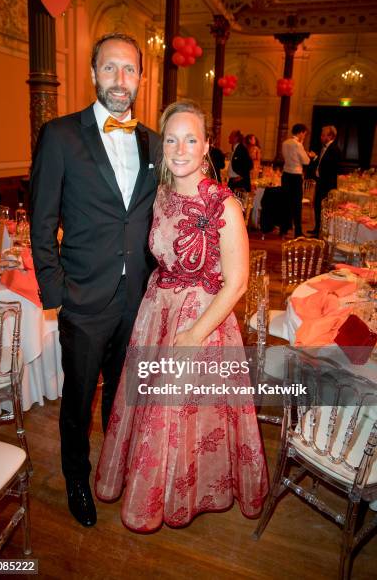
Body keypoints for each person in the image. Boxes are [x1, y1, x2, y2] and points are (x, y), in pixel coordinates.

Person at [95, 100, 268, 532]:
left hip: (201, 324)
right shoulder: (163, 194)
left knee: (178, 414)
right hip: (157, 312)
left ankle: (177, 496)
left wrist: (193, 333)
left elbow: (238, 283)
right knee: (154, 412)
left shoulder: (223, 205)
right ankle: (155, 490)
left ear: (207, 144)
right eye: (171, 138)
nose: (180, 148)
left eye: (191, 138)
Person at [30, 33, 159, 528]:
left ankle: (115, 466)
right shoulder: (61, 135)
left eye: (129, 70)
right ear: (92, 73)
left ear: (140, 78)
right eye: (110, 69)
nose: (120, 80)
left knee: (126, 393)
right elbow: (42, 222)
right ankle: (77, 479)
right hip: (83, 298)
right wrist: (56, 294)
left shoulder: (152, 140)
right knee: (79, 400)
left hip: (139, 297)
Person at [279, 123, 314, 239]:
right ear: (300, 132)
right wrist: (310, 155)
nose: (305, 136)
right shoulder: (298, 145)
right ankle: (298, 232)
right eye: (304, 134)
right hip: (295, 177)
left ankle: (283, 229)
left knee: (285, 203)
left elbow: (286, 157)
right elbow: (306, 161)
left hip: (285, 175)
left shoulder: (285, 143)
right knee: (296, 205)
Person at [308, 125, 341, 237]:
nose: (321, 137)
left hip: (327, 184)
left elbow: (333, 167)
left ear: (331, 136)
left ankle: (323, 231)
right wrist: (316, 158)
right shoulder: (324, 148)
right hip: (321, 182)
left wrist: (316, 158)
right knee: (317, 206)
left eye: (323, 135)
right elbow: (321, 163)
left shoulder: (334, 149)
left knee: (324, 208)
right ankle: (317, 229)